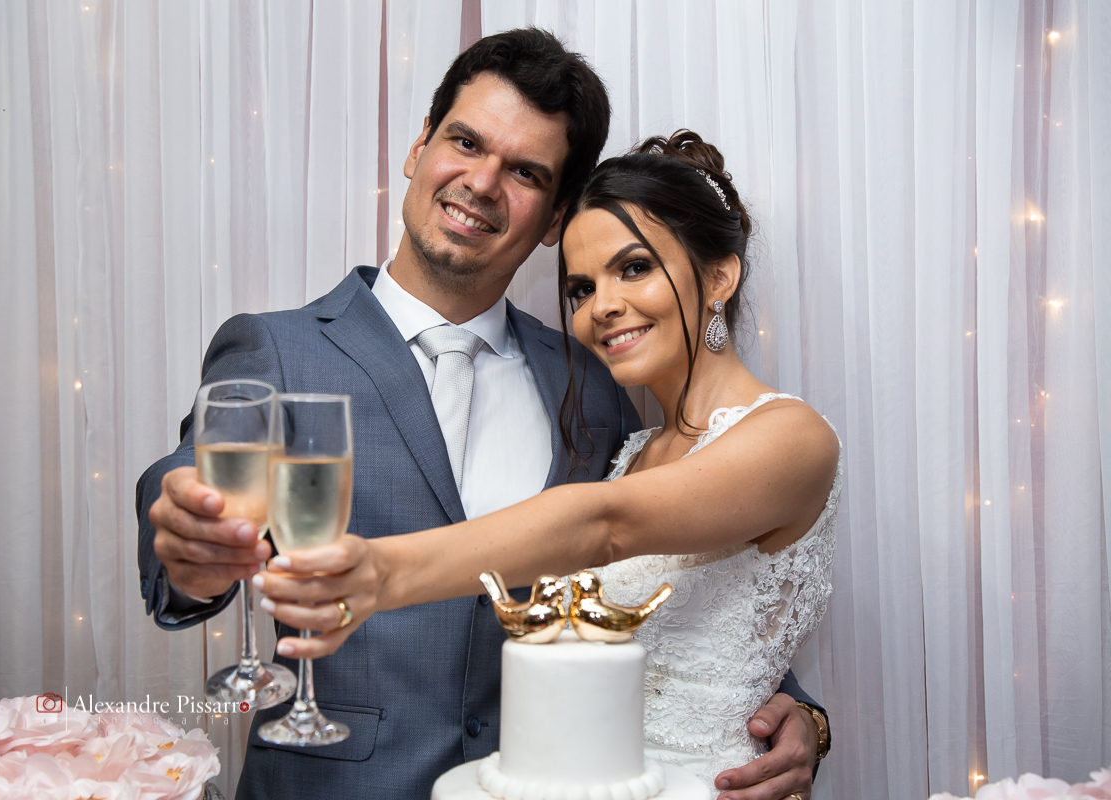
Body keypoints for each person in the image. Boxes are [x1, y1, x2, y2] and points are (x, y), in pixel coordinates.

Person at [137, 29, 826, 800]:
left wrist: (787, 706)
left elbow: (675, 564)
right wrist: (189, 540)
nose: (482, 182)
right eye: (465, 142)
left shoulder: (592, 383)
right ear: (419, 147)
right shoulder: (280, 348)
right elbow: (187, 486)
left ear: (555, 217)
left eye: (525, 171)